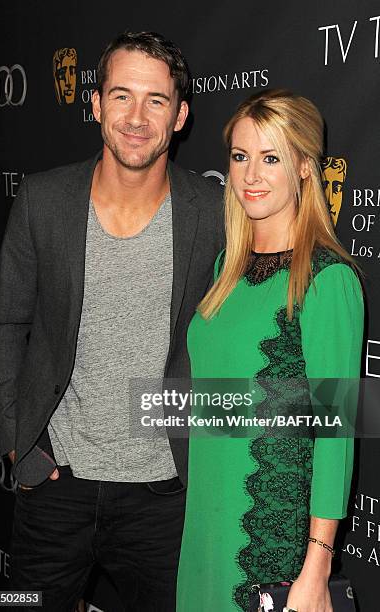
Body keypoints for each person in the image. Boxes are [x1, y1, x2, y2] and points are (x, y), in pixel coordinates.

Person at [0, 31, 224, 611]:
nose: (137, 117)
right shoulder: (44, 200)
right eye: (121, 96)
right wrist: (19, 447)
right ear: (94, 104)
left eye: (156, 100)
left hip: (166, 494)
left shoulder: (214, 212)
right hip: (55, 482)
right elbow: (2, 327)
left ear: (181, 115)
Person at [176, 89, 363, 612]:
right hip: (203, 525)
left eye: (271, 157)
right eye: (240, 157)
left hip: (270, 544)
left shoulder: (327, 280)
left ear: (304, 167)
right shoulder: (224, 271)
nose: (251, 175)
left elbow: (337, 431)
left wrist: (317, 567)